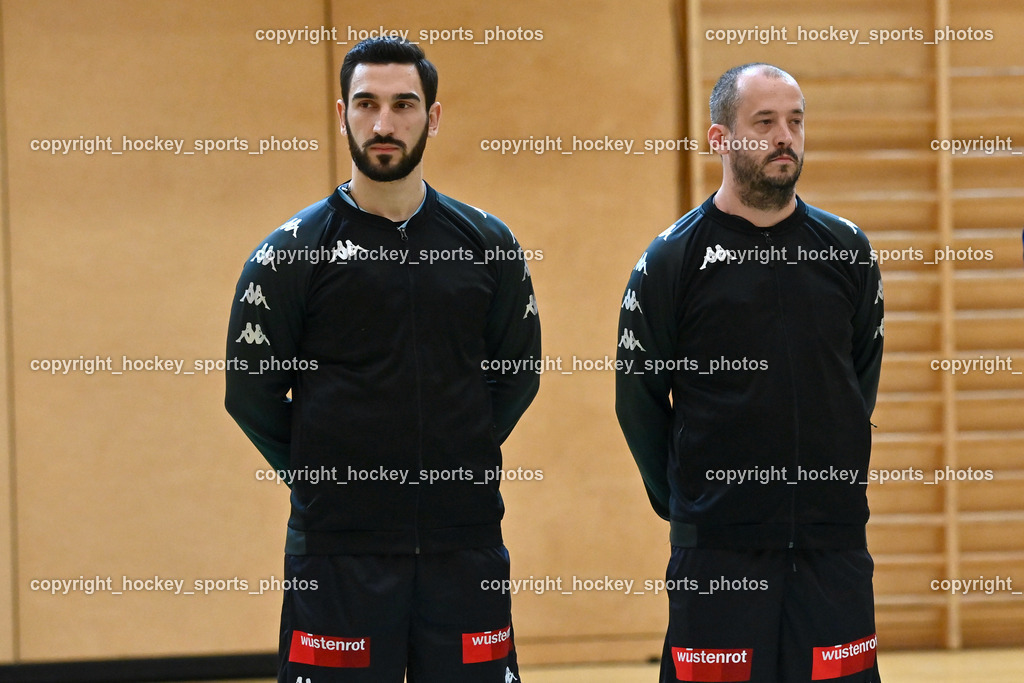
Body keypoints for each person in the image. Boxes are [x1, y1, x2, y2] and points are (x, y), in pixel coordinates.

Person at [225, 37, 540, 683]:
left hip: (464, 545)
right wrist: (325, 474)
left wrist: (452, 452)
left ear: (434, 116)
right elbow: (251, 394)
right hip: (340, 554)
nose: (384, 123)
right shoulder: (292, 253)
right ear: (342, 114)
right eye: (367, 104)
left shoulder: (487, 244)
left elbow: (515, 377)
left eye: (404, 104)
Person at [615, 63, 884, 683]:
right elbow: (639, 402)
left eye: (795, 121)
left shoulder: (847, 252)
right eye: (764, 122)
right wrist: (692, 504)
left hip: (831, 544)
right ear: (720, 138)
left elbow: (855, 385)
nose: (784, 136)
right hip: (718, 549)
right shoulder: (671, 260)